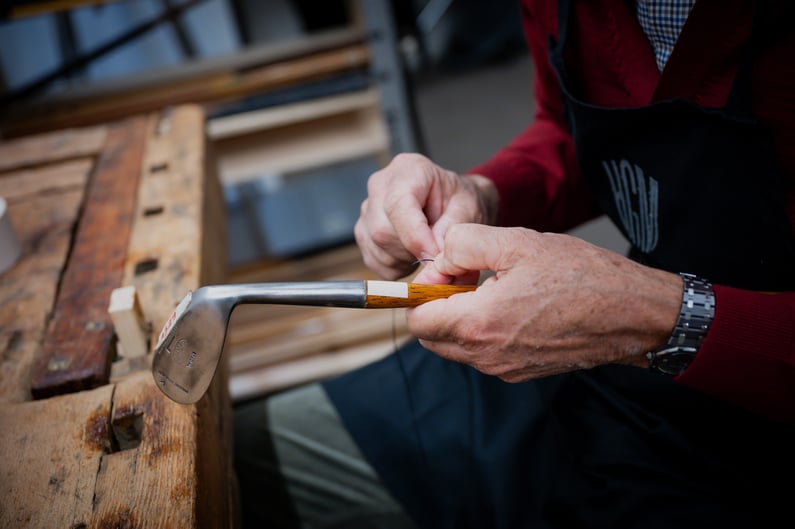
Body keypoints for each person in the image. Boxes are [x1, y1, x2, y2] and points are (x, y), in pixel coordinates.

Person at [233, 0, 795, 527]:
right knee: (238, 459)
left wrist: (653, 317)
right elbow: (572, 133)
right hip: (607, 384)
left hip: (749, 444)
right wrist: (483, 195)